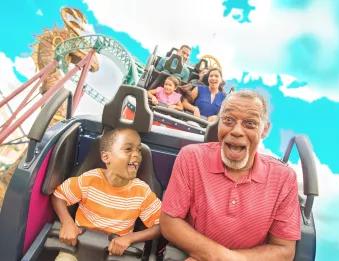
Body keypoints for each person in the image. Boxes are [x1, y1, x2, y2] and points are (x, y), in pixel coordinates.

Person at [160, 90, 301, 261]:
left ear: (265, 129)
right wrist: (214, 255)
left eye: (249, 124)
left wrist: (224, 259)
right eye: (228, 120)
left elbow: (284, 251)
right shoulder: (191, 157)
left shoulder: (284, 178)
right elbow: (169, 223)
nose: (236, 131)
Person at [51, 128, 161, 261]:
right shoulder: (90, 179)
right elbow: (59, 196)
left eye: (138, 150)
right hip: (78, 245)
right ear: (106, 157)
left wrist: (129, 238)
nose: (137, 155)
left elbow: (161, 225)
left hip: (116, 254)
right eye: (128, 149)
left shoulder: (141, 192)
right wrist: (68, 223)